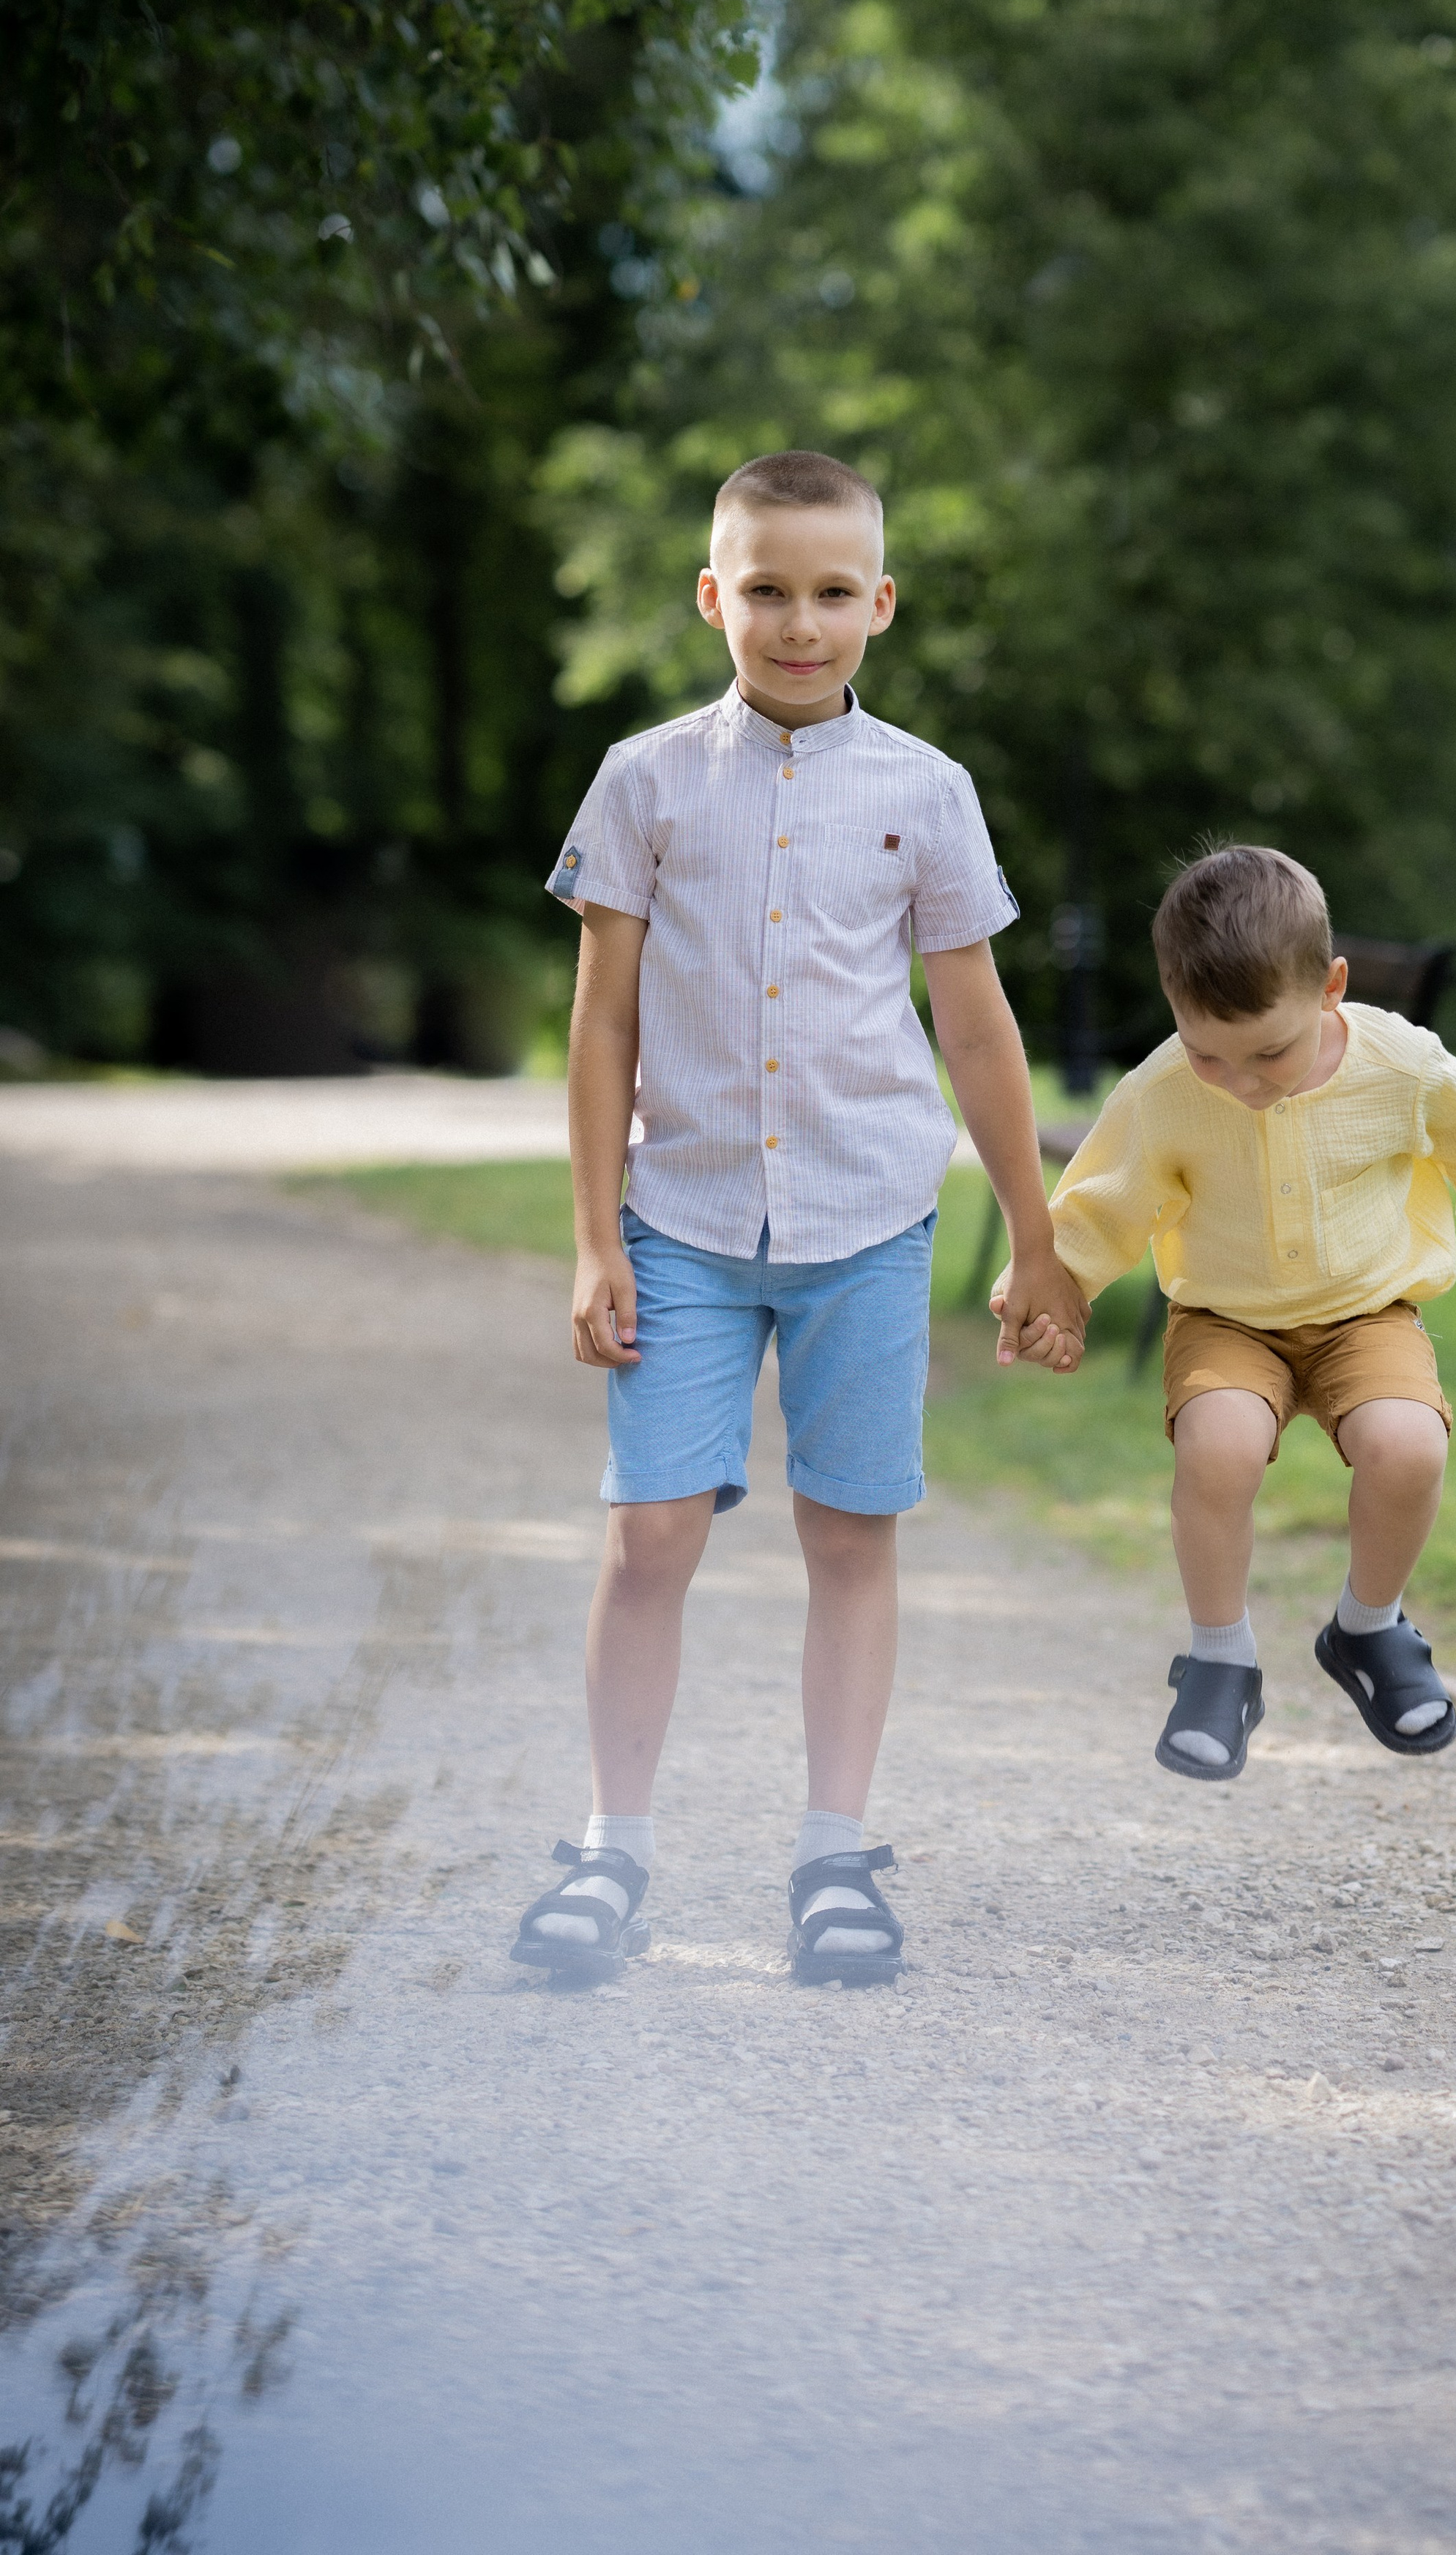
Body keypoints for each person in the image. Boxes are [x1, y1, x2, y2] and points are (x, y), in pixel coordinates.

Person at [510, 450, 1087, 1986]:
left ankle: (835, 1856)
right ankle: (607, 1854)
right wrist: (588, 1240)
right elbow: (598, 1027)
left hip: (866, 1225)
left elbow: (974, 1031)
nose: (797, 622)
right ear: (714, 596)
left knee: (850, 1535)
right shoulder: (641, 780)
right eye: (765, 589)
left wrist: (1035, 1237)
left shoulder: (926, 793)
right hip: (681, 1224)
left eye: (832, 592)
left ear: (878, 605)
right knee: (647, 1536)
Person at [1004, 845, 1456, 1775]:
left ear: (1331, 988)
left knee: (1409, 1446)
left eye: (1268, 1052)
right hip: (1227, 1319)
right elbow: (1107, 1197)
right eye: (1208, 1053)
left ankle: (1367, 1631)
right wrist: (1055, 1287)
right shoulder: (1164, 1091)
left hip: (1366, 1313)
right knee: (1215, 1446)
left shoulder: (1404, 1065)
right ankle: (1220, 1659)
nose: (1243, 1081)